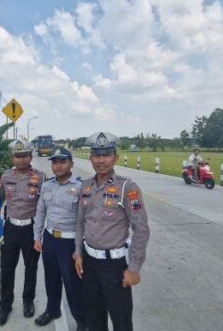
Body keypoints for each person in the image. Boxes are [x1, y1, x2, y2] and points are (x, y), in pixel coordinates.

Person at [73, 132, 150, 331]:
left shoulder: (127, 187)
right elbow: (80, 223)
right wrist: (78, 252)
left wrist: (134, 268)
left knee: (121, 319)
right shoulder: (86, 186)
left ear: (115, 157)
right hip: (89, 263)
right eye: (97, 155)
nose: (101, 160)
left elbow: (141, 229)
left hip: (114, 265)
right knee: (94, 317)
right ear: (90, 158)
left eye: (106, 155)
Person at [33, 148, 87, 331]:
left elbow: (84, 219)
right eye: (55, 162)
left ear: (71, 164)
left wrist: (79, 247)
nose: (58, 166)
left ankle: (82, 321)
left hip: (69, 242)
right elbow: (41, 212)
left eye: (62, 162)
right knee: (51, 278)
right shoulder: (47, 185)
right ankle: (52, 309)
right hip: (50, 240)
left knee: (73, 284)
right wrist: (37, 237)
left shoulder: (81, 187)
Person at [0, 139, 45, 326]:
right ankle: (5, 306)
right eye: (18, 156)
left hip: (31, 230)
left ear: (30, 157)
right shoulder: (6, 176)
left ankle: (28, 301)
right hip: (10, 229)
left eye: (24, 156)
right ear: (12, 157)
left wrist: (40, 233)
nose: (21, 160)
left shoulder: (40, 177)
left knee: (31, 268)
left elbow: (45, 205)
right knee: (6, 268)